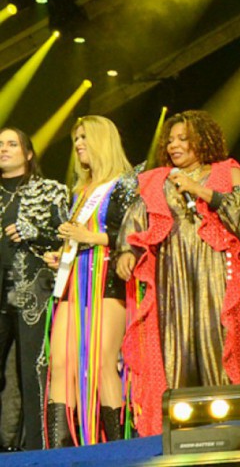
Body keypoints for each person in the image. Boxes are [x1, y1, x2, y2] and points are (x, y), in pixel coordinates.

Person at [115, 110, 240, 436]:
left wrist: (200, 190)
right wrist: (125, 252)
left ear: (201, 140)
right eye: (170, 140)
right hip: (173, 279)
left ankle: (230, 426)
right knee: (177, 348)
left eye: (182, 139)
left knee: (218, 342)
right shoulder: (156, 179)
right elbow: (134, 221)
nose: (174, 145)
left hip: (217, 273)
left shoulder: (226, 170)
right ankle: (184, 428)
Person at [44, 117, 137, 447]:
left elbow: (134, 237)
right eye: (76, 138)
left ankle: (122, 447)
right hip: (73, 282)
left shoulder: (125, 186)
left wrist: (90, 237)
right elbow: (80, 237)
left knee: (101, 363)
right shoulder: (79, 192)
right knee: (60, 363)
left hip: (108, 281)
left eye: (84, 136)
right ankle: (57, 451)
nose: (78, 143)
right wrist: (62, 252)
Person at [0, 128, 69, 451]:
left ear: (28, 153)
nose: (3, 149)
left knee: (33, 368)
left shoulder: (50, 190)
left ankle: (37, 447)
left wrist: (36, 232)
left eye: (11, 144)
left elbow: (68, 237)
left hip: (33, 289)